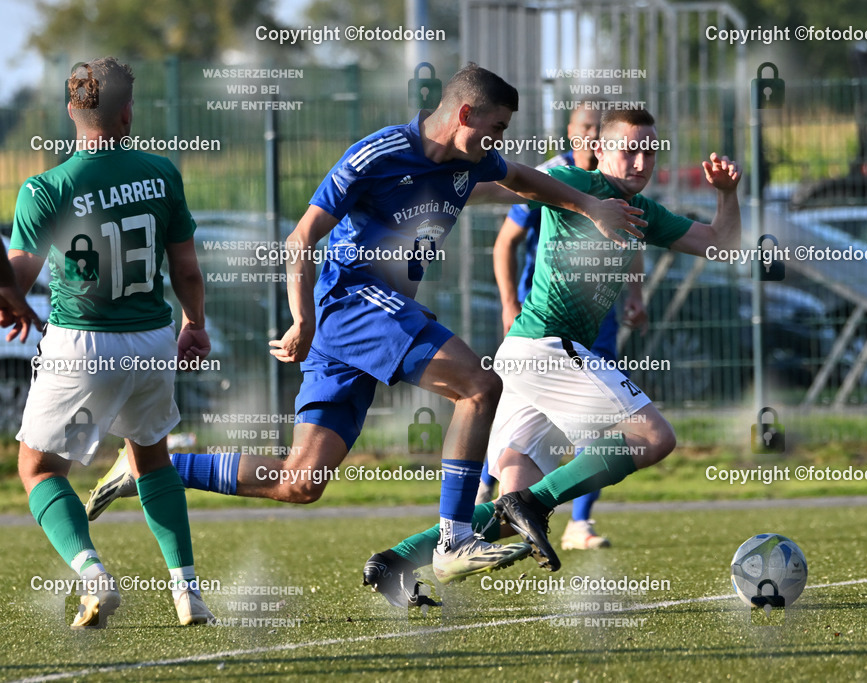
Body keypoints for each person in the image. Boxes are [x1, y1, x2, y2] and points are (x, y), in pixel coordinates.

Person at [86, 64, 647, 601]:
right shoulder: (378, 154)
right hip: (351, 301)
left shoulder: (472, 159)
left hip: (364, 322)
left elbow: (523, 179)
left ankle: (148, 464)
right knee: (479, 386)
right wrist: (302, 318)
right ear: (466, 114)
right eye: (496, 127)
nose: (499, 140)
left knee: (300, 482)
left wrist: (590, 206)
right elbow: (301, 238)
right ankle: (453, 539)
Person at [365, 108, 740, 605]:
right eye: (629, 149)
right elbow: (500, 186)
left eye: (650, 151)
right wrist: (417, 190)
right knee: (654, 437)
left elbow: (719, 242)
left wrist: (727, 194)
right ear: (599, 150)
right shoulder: (575, 182)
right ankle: (531, 504)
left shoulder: (644, 211)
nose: (640, 161)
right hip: (547, 346)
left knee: (510, 512)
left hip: (525, 358)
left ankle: (394, 560)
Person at [5, 58, 215, 628]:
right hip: (152, 342)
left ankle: (94, 575)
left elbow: (18, 279)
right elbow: (187, 270)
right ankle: (188, 593)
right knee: (151, 458)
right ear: (126, 113)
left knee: (40, 469)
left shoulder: (46, 188)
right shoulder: (162, 173)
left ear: (71, 112)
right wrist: (194, 323)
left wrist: (8, 295)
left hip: (83, 346)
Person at [485, 103, 647, 552]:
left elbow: (634, 236)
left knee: (598, 426)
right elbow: (506, 241)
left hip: (597, 322)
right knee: (515, 424)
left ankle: (578, 520)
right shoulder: (553, 179)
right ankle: (486, 497)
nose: (592, 136)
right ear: (573, 135)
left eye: (599, 128)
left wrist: (635, 293)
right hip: (543, 327)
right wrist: (509, 302)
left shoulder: (620, 187)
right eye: (585, 128)